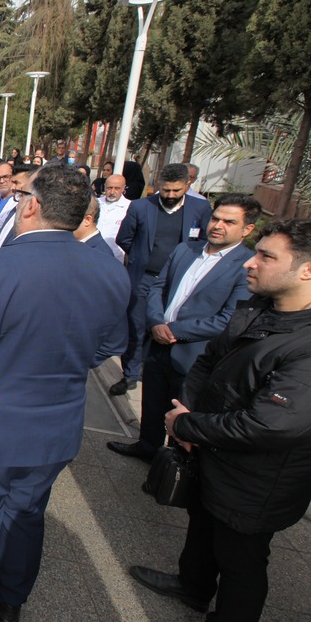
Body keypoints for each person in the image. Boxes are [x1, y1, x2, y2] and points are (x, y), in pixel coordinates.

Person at [0, 163, 130, 622]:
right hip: (57, 426)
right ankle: (10, 600)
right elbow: (110, 345)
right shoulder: (110, 270)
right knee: (24, 515)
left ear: (32, 205)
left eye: (21, 197)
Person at [129, 218, 311, 622]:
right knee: (202, 527)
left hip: (257, 482)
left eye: (266, 257)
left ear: (306, 270)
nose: (249, 263)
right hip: (214, 453)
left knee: (241, 560)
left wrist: (186, 426)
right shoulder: (258, 308)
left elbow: (269, 424)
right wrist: (189, 414)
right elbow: (209, 361)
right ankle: (192, 586)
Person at [107, 194, 260, 463]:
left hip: (194, 355)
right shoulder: (185, 249)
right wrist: (156, 321)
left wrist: (175, 330)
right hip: (158, 343)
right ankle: (147, 447)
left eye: (229, 222)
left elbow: (228, 319)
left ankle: (171, 464)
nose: (218, 225)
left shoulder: (246, 266)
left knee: (182, 411)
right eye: (215, 218)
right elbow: (158, 287)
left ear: (247, 229)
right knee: (152, 402)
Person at [110, 164, 212, 396]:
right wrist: (142, 259)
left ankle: (152, 368)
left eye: (176, 190)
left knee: (166, 327)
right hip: (144, 278)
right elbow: (124, 238)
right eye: (166, 190)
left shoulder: (200, 208)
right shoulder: (141, 207)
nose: (170, 195)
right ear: (158, 185)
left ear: (187, 185)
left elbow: (204, 242)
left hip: (178, 281)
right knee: (136, 327)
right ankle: (130, 374)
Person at [98, 174, 131, 262]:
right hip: (91, 253)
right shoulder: (95, 203)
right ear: (104, 187)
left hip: (115, 257)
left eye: (117, 188)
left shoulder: (130, 207)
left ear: (123, 188)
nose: (112, 192)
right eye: (109, 188)